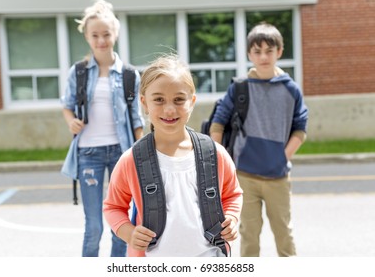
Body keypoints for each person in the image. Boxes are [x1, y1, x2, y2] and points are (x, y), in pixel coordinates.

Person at [103, 54, 243, 257]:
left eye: (178, 100)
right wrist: (128, 232)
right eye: (158, 99)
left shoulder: (215, 154)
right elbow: (113, 206)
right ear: (144, 103)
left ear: (192, 101)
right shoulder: (131, 160)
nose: (169, 109)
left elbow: (232, 195)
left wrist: (231, 218)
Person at [209, 23, 308, 257]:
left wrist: (281, 157)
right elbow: (217, 123)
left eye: (269, 50)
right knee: (249, 235)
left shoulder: (291, 89)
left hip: (278, 177)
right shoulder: (240, 87)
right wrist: (223, 162)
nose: (263, 56)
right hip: (245, 177)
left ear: (280, 52)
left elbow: (300, 129)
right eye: (257, 51)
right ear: (249, 54)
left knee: (284, 234)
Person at [60, 0, 145, 257]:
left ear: (115, 34)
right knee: (94, 225)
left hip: (121, 153)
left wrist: (140, 152)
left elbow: (136, 117)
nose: (101, 40)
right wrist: (70, 120)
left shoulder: (130, 74)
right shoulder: (79, 72)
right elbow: (67, 105)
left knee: (120, 223)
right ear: (87, 37)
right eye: (95, 35)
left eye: (106, 34)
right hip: (89, 153)